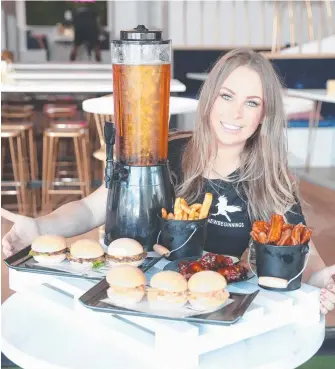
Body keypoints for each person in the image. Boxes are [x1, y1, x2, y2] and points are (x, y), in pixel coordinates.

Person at [2, 49, 334, 315]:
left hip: (215, 311)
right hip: (142, 303)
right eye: (226, 96)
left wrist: (325, 280)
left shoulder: (270, 180)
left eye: (251, 103)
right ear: (209, 101)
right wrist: (40, 228)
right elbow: (91, 209)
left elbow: (304, 256)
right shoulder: (166, 155)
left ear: (264, 116)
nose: (236, 114)